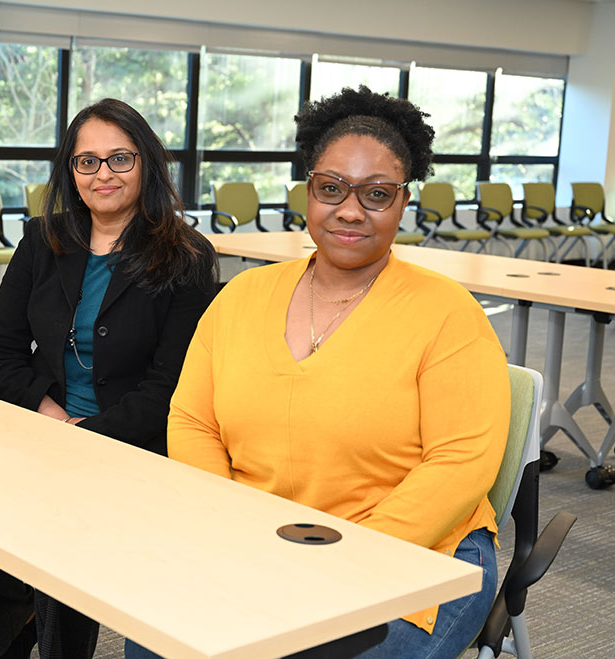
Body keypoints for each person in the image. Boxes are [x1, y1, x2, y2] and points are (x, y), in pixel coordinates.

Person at [164, 86, 510, 659]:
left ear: (404, 203)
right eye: (331, 189)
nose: (351, 210)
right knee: (159, 634)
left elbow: (461, 460)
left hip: (410, 554)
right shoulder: (241, 297)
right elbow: (193, 419)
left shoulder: (447, 314)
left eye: (377, 194)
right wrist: (227, 525)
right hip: (258, 538)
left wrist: (351, 559)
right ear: (308, 193)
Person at [0, 97, 218, 659]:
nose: (103, 174)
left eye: (120, 158)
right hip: (46, 422)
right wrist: (53, 417)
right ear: (70, 170)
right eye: (86, 161)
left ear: (147, 166)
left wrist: (87, 437)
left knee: (65, 531)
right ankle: (16, 626)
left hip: (133, 438)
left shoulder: (186, 257)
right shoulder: (44, 239)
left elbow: (172, 385)